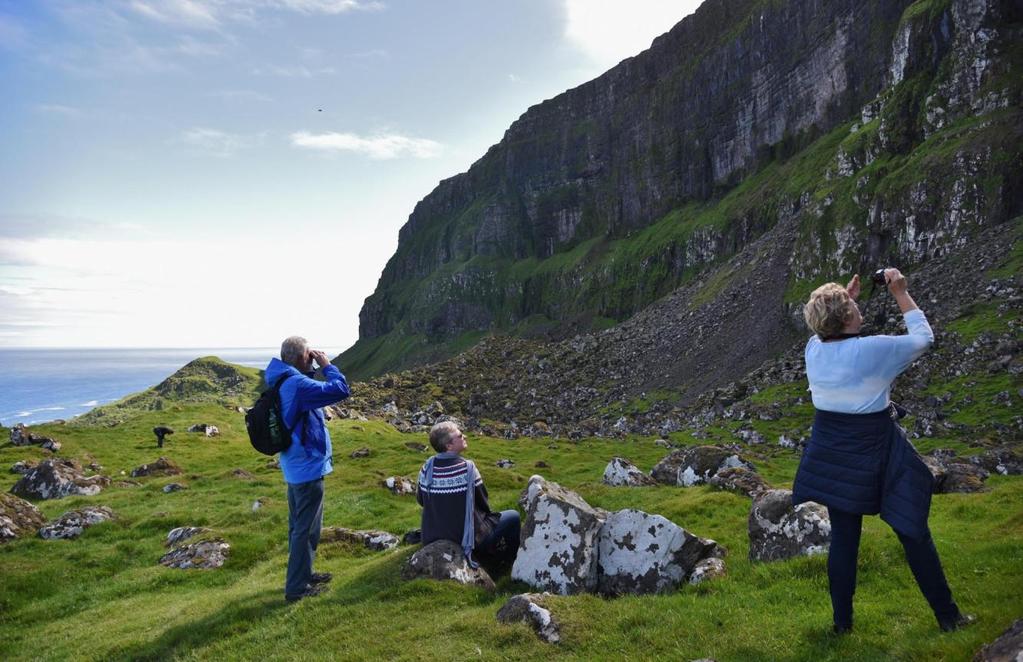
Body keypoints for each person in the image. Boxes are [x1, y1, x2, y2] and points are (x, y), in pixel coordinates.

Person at [792, 268, 974, 634]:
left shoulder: (814, 349)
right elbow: (924, 339)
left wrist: (845, 297)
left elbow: (831, 331)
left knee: (844, 539)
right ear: (845, 316)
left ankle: (842, 626)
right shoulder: (873, 350)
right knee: (912, 527)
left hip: (833, 450)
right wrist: (901, 293)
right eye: (853, 309)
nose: (860, 313)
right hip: (876, 449)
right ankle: (949, 618)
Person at [264, 336, 351, 603]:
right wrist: (327, 366)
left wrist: (309, 369)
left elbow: (305, 391)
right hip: (307, 469)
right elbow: (340, 390)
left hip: (295, 466)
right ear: (303, 357)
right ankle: (297, 589)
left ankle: (304, 574)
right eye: (308, 356)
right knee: (304, 529)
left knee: (304, 527)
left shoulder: (282, 379)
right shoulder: (298, 384)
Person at [416, 421, 520, 572]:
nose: (464, 436)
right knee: (514, 517)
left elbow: (421, 500)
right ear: (449, 446)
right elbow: (483, 502)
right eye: (459, 435)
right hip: (467, 539)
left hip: (432, 536)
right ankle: (506, 563)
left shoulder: (427, 467)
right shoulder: (468, 468)